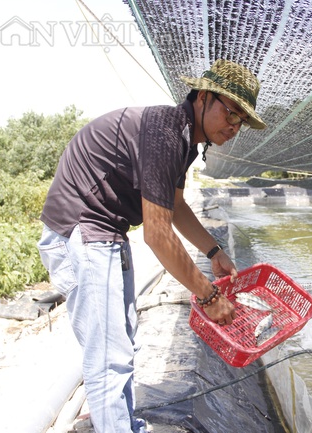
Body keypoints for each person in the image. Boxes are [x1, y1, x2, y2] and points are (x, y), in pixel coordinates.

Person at [37, 59, 266, 433]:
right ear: (204, 97)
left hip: (106, 229)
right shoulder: (163, 134)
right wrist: (209, 296)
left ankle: (123, 424)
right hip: (82, 229)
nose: (235, 127)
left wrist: (214, 252)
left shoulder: (185, 142)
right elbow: (158, 234)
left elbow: (174, 206)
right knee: (109, 357)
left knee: (120, 344)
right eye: (231, 113)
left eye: (242, 122)